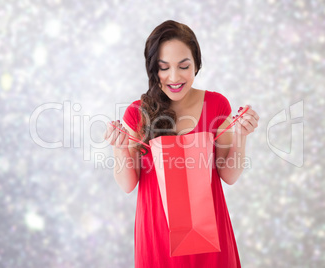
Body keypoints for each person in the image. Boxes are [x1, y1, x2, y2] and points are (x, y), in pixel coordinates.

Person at [104, 20, 259, 268]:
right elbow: (127, 184)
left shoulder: (216, 104)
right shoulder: (137, 112)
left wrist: (241, 136)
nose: (174, 77)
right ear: (153, 69)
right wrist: (118, 146)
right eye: (164, 68)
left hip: (211, 240)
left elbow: (228, 175)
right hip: (157, 239)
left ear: (197, 64)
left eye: (184, 66)